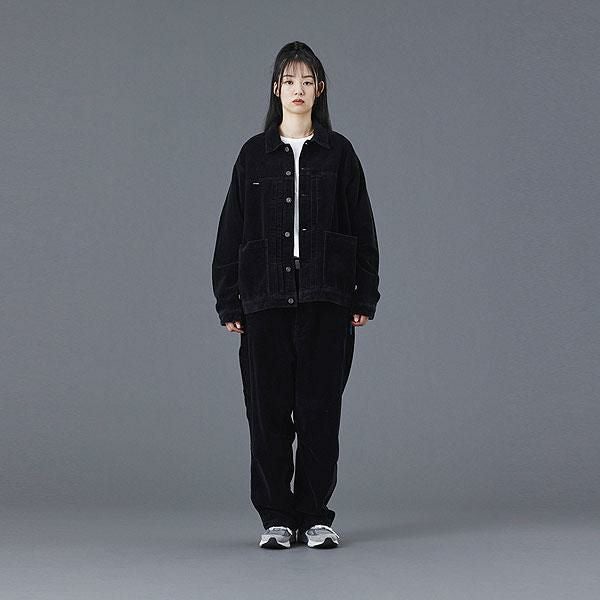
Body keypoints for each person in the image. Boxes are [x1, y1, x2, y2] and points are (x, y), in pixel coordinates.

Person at [211, 41, 381, 549]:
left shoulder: (340, 153)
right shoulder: (253, 155)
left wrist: (363, 295)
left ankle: (315, 516)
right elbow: (231, 229)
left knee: (319, 411)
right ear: (276, 89)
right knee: (266, 413)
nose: (298, 89)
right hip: (264, 300)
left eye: (307, 81)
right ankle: (276, 519)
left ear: (320, 89)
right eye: (289, 81)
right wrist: (229, 299)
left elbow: (363, 227)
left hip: (327, 299)